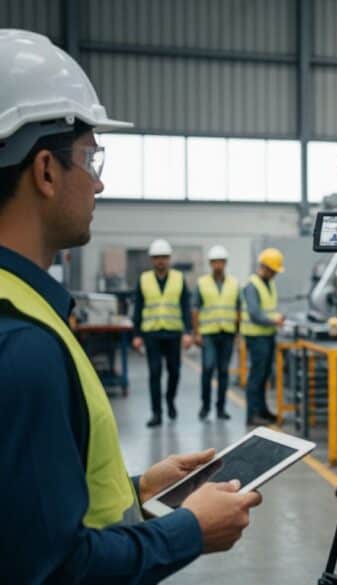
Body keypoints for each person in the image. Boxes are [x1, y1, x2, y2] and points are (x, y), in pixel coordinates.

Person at [0, 29, 261, 582]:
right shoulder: (22, 343)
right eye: (90, 158)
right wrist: (187, 530)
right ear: (45, 170)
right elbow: (53, 571)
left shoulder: (23, 309)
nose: (99, 183)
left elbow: (26, 516)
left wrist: (137, 490)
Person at [132, 238, 193, 427]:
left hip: (173, 333)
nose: (161, 261)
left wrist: (188, 332)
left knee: (174, 371)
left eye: (164, 257)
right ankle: (156, 413)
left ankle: (170, 400)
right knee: (155, 373)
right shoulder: (144, 279)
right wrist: (136, 334)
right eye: (157, 257)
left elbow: (185, 306)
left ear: (169, 259)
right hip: (152, 334)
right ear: (152, 260)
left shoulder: (178, 278)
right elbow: (138, 307)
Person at [192, 244, 239, 421]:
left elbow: (238, 309)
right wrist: (196, 333)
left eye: (221, 262)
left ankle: (221, 409)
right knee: (208, 368)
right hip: (209, 334)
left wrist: (237, 333)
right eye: (215, 262)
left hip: (227, 332)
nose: (218, 265)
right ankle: (205, 407)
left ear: (225, 263)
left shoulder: (234, 283)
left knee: (224, 371)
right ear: (210, 264)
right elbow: (195, 309)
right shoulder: (202, 283)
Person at [241, 248, 286, 426]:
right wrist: (274, 321)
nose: (275, 274)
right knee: (257, 376)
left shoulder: (269, 283)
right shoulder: (251, 286)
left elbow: (269, 310)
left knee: (264, 376)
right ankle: (252, 415)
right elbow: (255, 314)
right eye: (273, 270)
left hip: (267, 336)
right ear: (265, 267)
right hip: (256, 337)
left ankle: (263, 411)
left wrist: (277, 318)